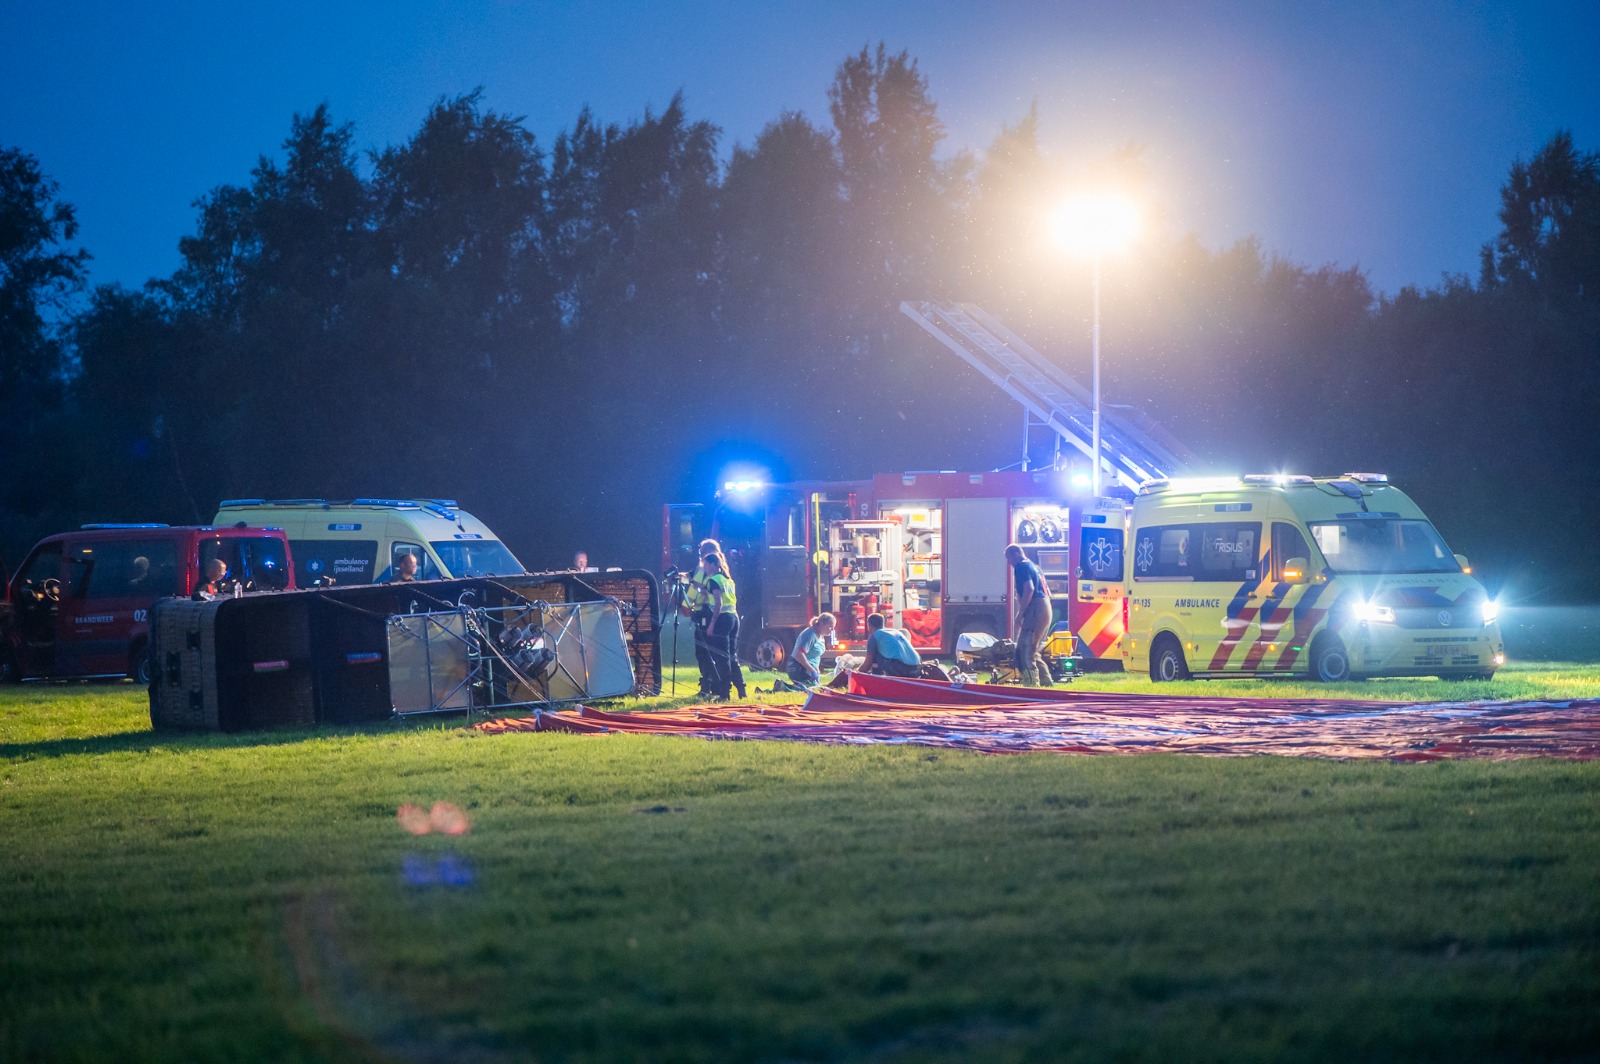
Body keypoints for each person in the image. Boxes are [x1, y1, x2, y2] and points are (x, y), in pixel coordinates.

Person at [1006, 543, 1053, 686]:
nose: (1010, 564)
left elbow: (1029, 589)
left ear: (1016, 554)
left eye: (1009, 559)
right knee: (1031, 648)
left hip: (1036, 608)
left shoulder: (1021, 566)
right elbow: (1048, 593)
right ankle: (1046, 682)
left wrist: (1021, 613)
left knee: (1025, 649)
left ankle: (1032, 684)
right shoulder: (1035, 566)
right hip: (1045, 607)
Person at [702, 551, 747, 701]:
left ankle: (724, 693)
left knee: (722, 657)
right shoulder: (728, 580)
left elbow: (718, 603)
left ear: (714, 565)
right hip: (734, 617)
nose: (704, 567)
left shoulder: (713, 580)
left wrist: (712, 624)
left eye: (706, 564)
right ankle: (741, 689)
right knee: (732, 656)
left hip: (722, 619)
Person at [680, 538, 721, 696]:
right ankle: (712, 685)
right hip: (705, 614)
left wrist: (686, 604)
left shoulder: (707, 571)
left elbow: (695, 589)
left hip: (705, 614)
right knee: (706, 651)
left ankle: (709, 686)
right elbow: (692, 582)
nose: (700, 556)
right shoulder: (707, 570)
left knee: (705, 651)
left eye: (701, 553)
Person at [861, 612, 921, 678]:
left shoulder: (874, 636)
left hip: (904, 670)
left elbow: (867, 664)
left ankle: (877, 678)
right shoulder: (895, 631)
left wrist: (857, 673)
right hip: (917, 668)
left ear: (869, 625)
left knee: (875, 655)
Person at [786, 612, 836, 687]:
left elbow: (815, 655)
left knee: (817, 688)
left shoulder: (821, 636)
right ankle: (783, 687)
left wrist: (816, 669)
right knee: (810, 689)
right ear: (822, 624)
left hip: (808, 668)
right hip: (798, 668)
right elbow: (799, 654)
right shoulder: (810, 635)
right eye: (830, 627)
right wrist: (812, 670)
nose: (832, 630)